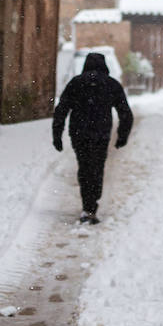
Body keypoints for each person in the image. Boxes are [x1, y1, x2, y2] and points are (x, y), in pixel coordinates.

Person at [52, 52, 133, 224]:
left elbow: (61, 110)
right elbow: (125, 113)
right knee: (96, 167)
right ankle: (91, 206)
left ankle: (86, 205)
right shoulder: (111, 85)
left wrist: (57, 134)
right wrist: (122, 136)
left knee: (84, 166)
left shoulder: (76, 83)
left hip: (79, 133)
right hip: (100, 133)